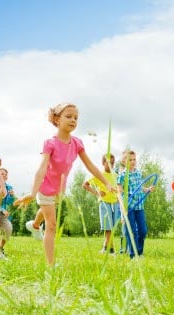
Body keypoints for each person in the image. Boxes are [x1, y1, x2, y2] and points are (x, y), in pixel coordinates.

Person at [14, 102, 115, 266]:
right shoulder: (50, 143)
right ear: (56, 119)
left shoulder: (77, 143)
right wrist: (32, 193)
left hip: (59, 189)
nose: (73, 120)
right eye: (68, 116)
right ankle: (51, 265)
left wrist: (106, 183)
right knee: (52, 224)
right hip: (45, 186)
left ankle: (34, 225)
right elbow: (41, 169)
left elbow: (90, 165)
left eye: (76, 117)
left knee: (49, 210)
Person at [117, 149, 154, 259]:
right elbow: (119, 192)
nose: (133, 162)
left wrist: (147, 189)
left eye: (134, 159)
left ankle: (139, 251)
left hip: (139, 206)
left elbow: (139, 187)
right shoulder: (122, 175)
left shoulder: (138, 173)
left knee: (143, 231)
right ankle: (133, 255)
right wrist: (123, 208)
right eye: (130, 160)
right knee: (132, 231)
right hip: (129, 207)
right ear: (123, 162)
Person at [82, 153, 117, 255]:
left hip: (115, 203)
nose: (111, 165)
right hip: (104, 203)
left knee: (112, 228)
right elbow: (85, 185)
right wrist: (97, 193)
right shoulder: (99, 175)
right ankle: (111, 249)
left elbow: (119, 188)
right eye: (108, 162)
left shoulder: (116, 176)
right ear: (103, 163)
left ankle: (105, 248)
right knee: (108, 227)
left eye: (113, 163)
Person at [0, 167, 15, 256]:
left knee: (8, 229)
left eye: (4, 174)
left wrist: (12, 196)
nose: (2, 175)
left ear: (6, 177)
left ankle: (0, 247)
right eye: (1, 173)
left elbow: (9, 202)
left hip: (3, 213)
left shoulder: (9, 187)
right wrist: (1, 209)